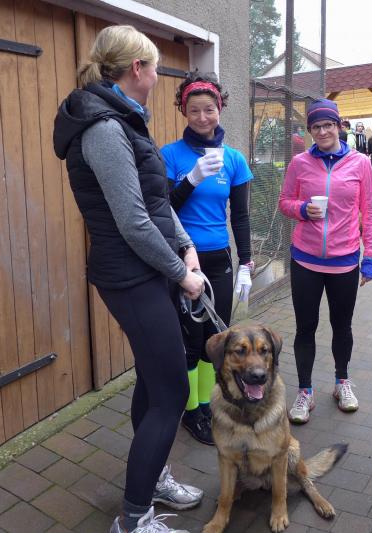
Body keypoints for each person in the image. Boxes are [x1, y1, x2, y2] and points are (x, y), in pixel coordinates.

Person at [53, 25, 205, 533]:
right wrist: (181, 275)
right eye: (156, 67)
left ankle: (153, 477)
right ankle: (134, 518)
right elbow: (133, 221)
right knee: (172, 393)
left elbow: (156, 203)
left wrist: (186, 247)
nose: (159, 77)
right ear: (138, 69)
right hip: (130, 275)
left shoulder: (125, 118)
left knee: (154, 379)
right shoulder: (104, 128)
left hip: (151, 268)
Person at [161, 72, 253, 446]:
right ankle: (190, 412)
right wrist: (192, 178)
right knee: (191, 339)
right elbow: (163, 209)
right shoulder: (170, 155)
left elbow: (241, 217)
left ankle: (205, 405)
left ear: (220, 110)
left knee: (215, 338)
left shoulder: (234, 159)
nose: (202, 117)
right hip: (184, 260)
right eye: (194, 110)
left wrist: (246, 263)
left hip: (219, 258)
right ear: (184, 111)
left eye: (209, 109)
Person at [278, 98, 372, 424]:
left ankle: (341, 382)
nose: (322, 131)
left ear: (338, 126)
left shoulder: (360, 163)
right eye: (316, 126)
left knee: (342, 326)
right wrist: (302, 209)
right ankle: (304, 391)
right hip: (305, 259)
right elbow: (284, 201)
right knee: (305, 327)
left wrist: (371, 256)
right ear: (310, 130)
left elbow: (371, 211)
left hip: (344, 260)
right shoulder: (299, 163)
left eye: (328, 125)